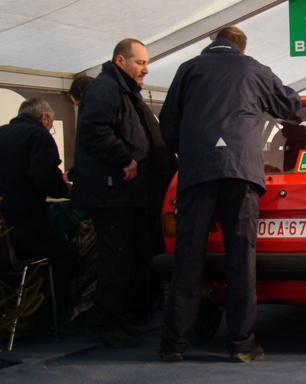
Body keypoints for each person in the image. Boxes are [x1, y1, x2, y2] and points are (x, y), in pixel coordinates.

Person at [158, 26, 301, 363]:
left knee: (187, 258)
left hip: (197, 174)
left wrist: (193, 151)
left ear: (214, 43)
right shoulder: (254, 69)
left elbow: (168, 126)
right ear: (242, 46)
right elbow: (288, 105)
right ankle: (241, 344)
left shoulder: (188, 69)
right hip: (241, 173)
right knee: (240, 259)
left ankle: (174, 344)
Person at [71, 38, 175, 348]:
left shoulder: (122, 90)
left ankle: (116, 319)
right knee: (115, 260)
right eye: (140, 62)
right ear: (121, 61)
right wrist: (124, 159)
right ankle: (103, 324)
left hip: (126, 193)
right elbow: (92, 129)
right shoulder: (106, 89)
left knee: (126, 258)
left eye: (146, 62)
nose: (146, 68)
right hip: (112, 193)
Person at [0, 98, 81, 333]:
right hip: (25, 226)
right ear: (44, 118)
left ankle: (13, 318)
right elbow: (44, 176)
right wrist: (64, 188)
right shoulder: (38, 136)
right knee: (67, 258)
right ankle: (43, 320)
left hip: (4, 231)